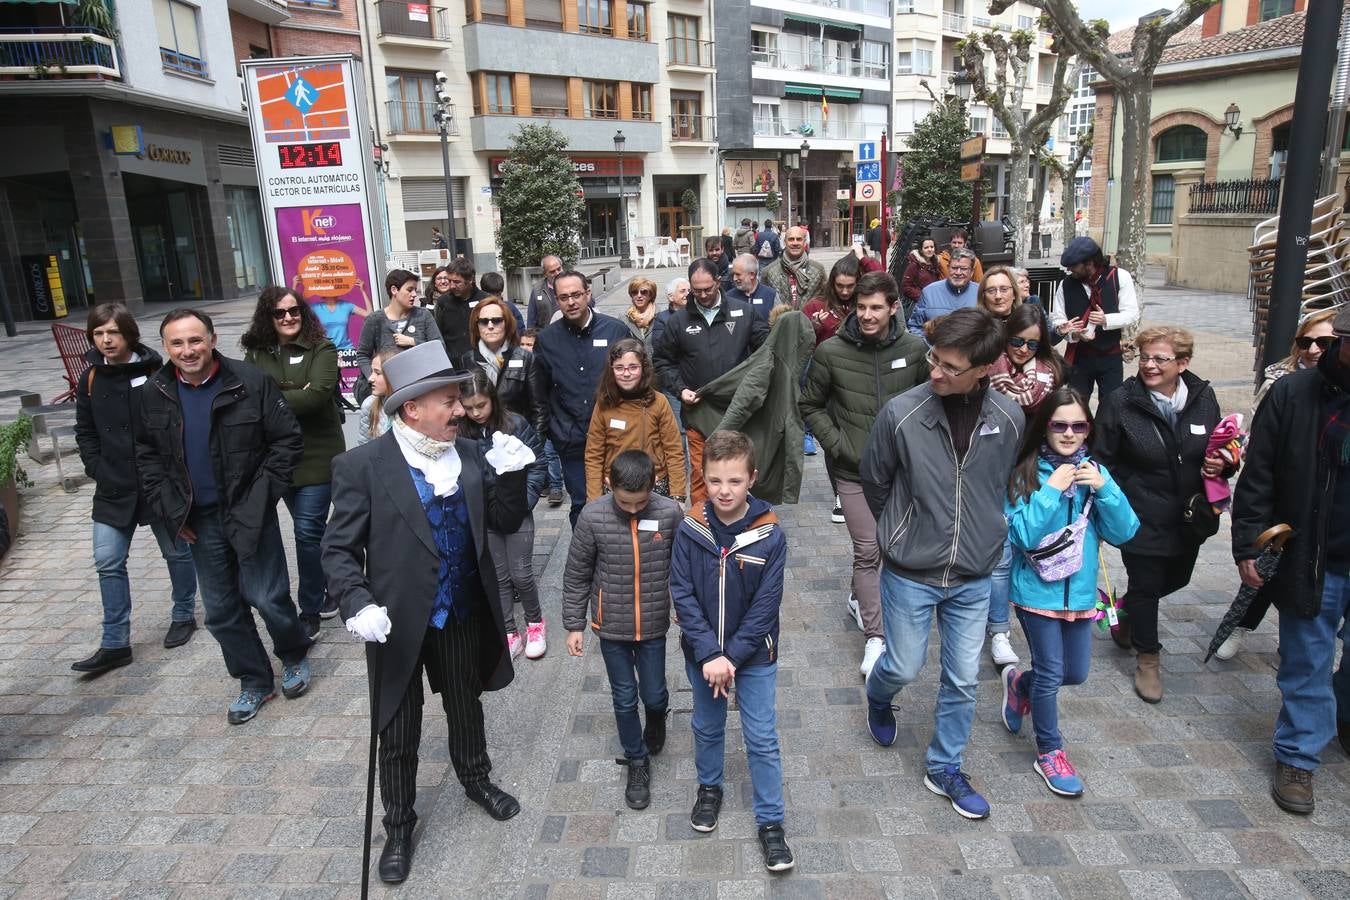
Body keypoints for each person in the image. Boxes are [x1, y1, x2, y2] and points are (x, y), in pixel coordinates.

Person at [323, 341, 533, 884]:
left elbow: (506, 521)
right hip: (394, 624)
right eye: (449, 401)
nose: (461, 410)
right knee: (398, 728)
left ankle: (476, 779)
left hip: (459, 612)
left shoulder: (467, 455)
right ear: (412, 408)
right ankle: (397, 826)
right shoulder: (361, 467)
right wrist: (356, 601)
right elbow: (337, 551)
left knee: (466, 705)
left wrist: (511, 476)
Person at [860, 307, 1024, 821]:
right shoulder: (902, 414)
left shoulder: (1010, 418)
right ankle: (878, 695)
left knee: (963, 679)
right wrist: (903, 529)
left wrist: (986, 534)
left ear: (984, 369)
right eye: (935, 359)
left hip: (975, 573)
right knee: (903, 666)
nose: (936, 371)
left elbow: (1003, 483)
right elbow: (875, 481)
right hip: (912, 571)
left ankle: (944, 766)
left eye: (951, 367)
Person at [136, 309, 312, 724]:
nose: (187, 350)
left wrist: (262, 498)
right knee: (219, 610)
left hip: (248, 510)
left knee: (267, 596)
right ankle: (253, 680)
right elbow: (146, 457)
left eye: (195, 340)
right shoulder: (154, 392)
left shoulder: (249, 382)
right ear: (165, 347)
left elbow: (286, 443)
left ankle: (293, 654)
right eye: (177, 343)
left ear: (213, 339)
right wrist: (170, 508)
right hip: (197, 520)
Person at [1230, 304, 1350, 815]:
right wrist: (1250, 547)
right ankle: (1299, 754)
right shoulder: (1293, 394)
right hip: (1312, 558)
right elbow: (1258, 476)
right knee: (1307, 660)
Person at [1000, 387, 1139, 798]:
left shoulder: (1095, 472)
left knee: (1072, 673)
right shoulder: (1025, 471)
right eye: (1059, 425)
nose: (1068, 433)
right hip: (1035, 591)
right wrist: (1050, 491)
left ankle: (1019, 685)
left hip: (1079, 594)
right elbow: (1020, 534)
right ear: (1044, 427)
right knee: (1051, 673)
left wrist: (1104, 489)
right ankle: (1050, 752)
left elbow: (1125, 531)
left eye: (1078, 426)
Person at [671, 430, 794, 872]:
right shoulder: (690, 528)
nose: (724, 491)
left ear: (752, 479)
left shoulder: (770, 535)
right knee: (707, 727)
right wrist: (708, 654)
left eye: (735, 481)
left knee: (761, 737)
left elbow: (766, 607)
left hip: (754, 657)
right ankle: (710, 787)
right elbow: (681, 592)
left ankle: (771, 822)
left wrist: (732, 658)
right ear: (702, 478)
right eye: (716, 481)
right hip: (702, 655)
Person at [799, 272, 929, 679]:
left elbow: (932, 401)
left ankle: (860, 596)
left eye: (876, 307)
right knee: (868, 548)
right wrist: (837, 444)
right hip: (853, 471)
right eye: (861, 307)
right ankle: (877, 636)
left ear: (894, 308)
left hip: (904, 472)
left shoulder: (914, 350)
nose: (868, 315)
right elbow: (810, 404)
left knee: (896, 546)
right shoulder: (832, 352)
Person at [1092, 326, 1228, 704]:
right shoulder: (1120, 401)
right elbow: (1101, 458)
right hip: (1140, 512)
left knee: (1177, 578)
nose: (1149, 365)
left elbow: (1217, 447)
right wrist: (1111, 503)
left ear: (1182, 363)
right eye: (1145, 357)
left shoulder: (1203, 398)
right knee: (1148, 584)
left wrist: (1224, 464)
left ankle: (1129, 612)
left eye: (1160, 359)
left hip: (1189, 514)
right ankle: (1148, 658)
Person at [72, 303, 198, 675]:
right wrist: (97, 468)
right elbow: (85, 431)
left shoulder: (158, 373)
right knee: (108, 561)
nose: (106, 340)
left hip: (156, 482)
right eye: (98, 333)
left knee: (176, 553)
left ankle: (183, 613)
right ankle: (115, 642)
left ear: (129, 334)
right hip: (113, 487)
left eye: (113, 332)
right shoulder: (91, 378)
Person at [1217, 308, 1343, 661]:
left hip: (1329, 514)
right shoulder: (1282, 382)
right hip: (1287, 504)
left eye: (1325, 341)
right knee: (1264, 574)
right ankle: (1241, 624)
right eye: (1307, 341)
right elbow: (1260, 452)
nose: (1315, 349)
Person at [563, 450, 682, 810]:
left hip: (653, 624)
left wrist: (683, 608)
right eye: (625, 502)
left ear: (653, 485)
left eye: (640, 502)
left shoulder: (669, 514)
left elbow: (683, 567)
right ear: (609, 485)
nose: (633, 510)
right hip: (610, 626)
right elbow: (577, 573)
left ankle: (658, 717)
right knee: (624, 697)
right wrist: (574, 625)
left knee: (655, 694)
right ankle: (636, 760)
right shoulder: (592, 516)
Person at [241, 286, 346, 638]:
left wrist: (268, 398)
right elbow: (245, 395)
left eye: (294, 311)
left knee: (305, 531)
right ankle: (335, 583)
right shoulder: (257, 353)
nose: (288, 318)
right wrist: (290, 394)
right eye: (280, 313)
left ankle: (310, 608)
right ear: (268, 318)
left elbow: (317, 396)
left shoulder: (323, 347)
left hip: (318, 453)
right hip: (279, 458)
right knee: (312, 533)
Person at [653, 258, 770, 505]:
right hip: (698, 412)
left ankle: (737, 524)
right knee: (701, 475)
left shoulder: (744, 312)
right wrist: (679, 388)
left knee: (737, 473)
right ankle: (701, 530)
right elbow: (662, 361)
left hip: (738, 411)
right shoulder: (678, 321)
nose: (703, 295)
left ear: (719, 281)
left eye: (708, 288)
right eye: (696, 290)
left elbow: (767, 350)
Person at [458, 369, 548, 660]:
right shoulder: (461, 431)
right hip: (485, 516)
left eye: (480, 406)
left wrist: (527, 499)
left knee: (521, 574)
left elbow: (537, 463)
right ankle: (508, 631)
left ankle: (535, 623)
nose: (476, 413)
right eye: (469, 407)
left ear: (492, 400)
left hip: (517, 511)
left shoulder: (515, 424)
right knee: (498, 577)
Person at [534, 270, 632, 527]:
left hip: (616, 437)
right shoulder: (546, 340)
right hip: (572, 440)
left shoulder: (615, 330)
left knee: (623, 501)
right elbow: (540, 392)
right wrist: (553, 431)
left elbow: (636, 383)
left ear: (588, 294)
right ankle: (585, 563)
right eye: (564, 297)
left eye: (576, 295)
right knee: (582, 505)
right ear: (557, 299)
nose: (571, 302)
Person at [585, 338, 687, 504]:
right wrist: (594, 499)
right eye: (619, 368)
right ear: (611, 370)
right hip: (615, 486)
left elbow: (674, 451)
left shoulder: (659, 402)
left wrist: (678, 496)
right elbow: (594, 455)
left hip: (655, 484)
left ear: (643, 369)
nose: (626, 373)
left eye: (633, 367)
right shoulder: (604, 405)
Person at [1050, 236, 1140, 404]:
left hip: (1111, 357)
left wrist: (1106, 319)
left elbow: (1132, 313)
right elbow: (1058, 319)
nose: (1070, 270)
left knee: (1112, 406)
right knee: (1076, 405)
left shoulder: (1120, 277)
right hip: (1080, 358)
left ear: (1089, 263)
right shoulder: (1065, 285)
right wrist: (1074, 334)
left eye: (1074, 266)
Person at [459, 297, 548, 443]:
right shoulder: (467, 360)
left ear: (507, 323)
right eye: (483, 321)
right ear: (476, 326)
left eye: (497, 320)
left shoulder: (525, 358)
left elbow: (539, 409)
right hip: (480, 441)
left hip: (518, 440)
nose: (490, 326)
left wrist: (534, 444)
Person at [356, 269, 442, 402]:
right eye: (409, 290)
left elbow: (440, 348)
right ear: (394, 290)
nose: (414, 294)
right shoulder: (374, 320)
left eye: (415, 290)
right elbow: (362, 355)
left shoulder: (423, 315)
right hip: (386, 396)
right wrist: (374, 378)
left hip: (418, 390)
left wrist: (413, 342)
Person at [1249, 307, 1340, 418]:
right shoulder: (1278, 385)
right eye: (1306, 342)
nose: (1312, 350)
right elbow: (1257, 431)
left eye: (1324, 343)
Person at [990, 303, 1063, 417]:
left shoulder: (1051, 372)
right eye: (1017, 341)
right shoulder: (988, 366)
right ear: (1007, 337)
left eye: (1032, 344)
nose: (1024, 350)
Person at [520, 327, 564, 507]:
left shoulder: (543, 364)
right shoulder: (517, 364)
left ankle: (556, 486)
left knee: (550, 452)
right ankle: (544, 482)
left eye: (529, 345)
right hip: (528, 417)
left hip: (548, 415)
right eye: (521, 344)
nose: (525, 348)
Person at [907, 249, 980, 336]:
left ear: (972, 272)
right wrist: (930, 348)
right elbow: (915, 327)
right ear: (948, 268)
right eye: (954, 268)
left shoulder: (980, 293)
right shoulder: (929, 292)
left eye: (963, 269)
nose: (958, 272)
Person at [434, 257, 489, 359]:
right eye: (449, 281)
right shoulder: (443, 302)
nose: (452, 286)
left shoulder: (486, 301)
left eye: (457, 282)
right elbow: (438, 335)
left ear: (470, 280)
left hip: (482, 363)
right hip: (453, 365)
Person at [761, 225, 825, 309]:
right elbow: (765, 301)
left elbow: (825, 299)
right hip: (781, 321)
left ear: (804, 242)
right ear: (785, 242)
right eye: (791, 239)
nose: (795, 243)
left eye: (799, 239)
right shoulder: (769, 271)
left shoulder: (818, 270)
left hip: (809, 321)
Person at [802, 255, 860, 347]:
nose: (845, 292)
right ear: (832, 283)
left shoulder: (864, 306)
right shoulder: (815, 306)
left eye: (850, 286)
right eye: (840, 286)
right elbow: (800, 339)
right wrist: (812, 327)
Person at [304, 276, 370, 350]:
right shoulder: (315, 307)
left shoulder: (346, 305)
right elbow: (298, 313)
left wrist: (363, 291)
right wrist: (294, 286)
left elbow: (370, 315)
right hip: (325, 350)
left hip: (346, 349)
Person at [358, 347, 400, 446]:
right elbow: (364, 446)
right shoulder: (369, 404)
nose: (370, 378)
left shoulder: (414, 407)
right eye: (372, 372)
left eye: (377, 373)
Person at [725, 254, 779, 323]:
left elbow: (779, 325)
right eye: (733, 274)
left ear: (752, 275)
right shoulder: (729, 297)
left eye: (738, 274)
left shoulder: (771, 295)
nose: (734, 278)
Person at [900, 238, 943, 323]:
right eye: (926, 247)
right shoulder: (914, 265)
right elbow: (906, 286)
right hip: (917, 305)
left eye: (932, 247)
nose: (930, 249)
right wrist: (922, 296)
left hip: (932, 304)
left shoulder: (935, 264)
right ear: (921, 249)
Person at [527, 255, 565, 329]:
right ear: (545, 274)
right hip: (547, 336)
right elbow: (531, 320)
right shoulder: (537, 290)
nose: (557, 273)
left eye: (559, 269)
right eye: (552, 271)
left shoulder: (573, 284)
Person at [623, 277, 660, 345]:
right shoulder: (623, 318)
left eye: (644, 292)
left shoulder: (660, 317)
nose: (639, 295)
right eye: (635, 292)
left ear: (651, 295)